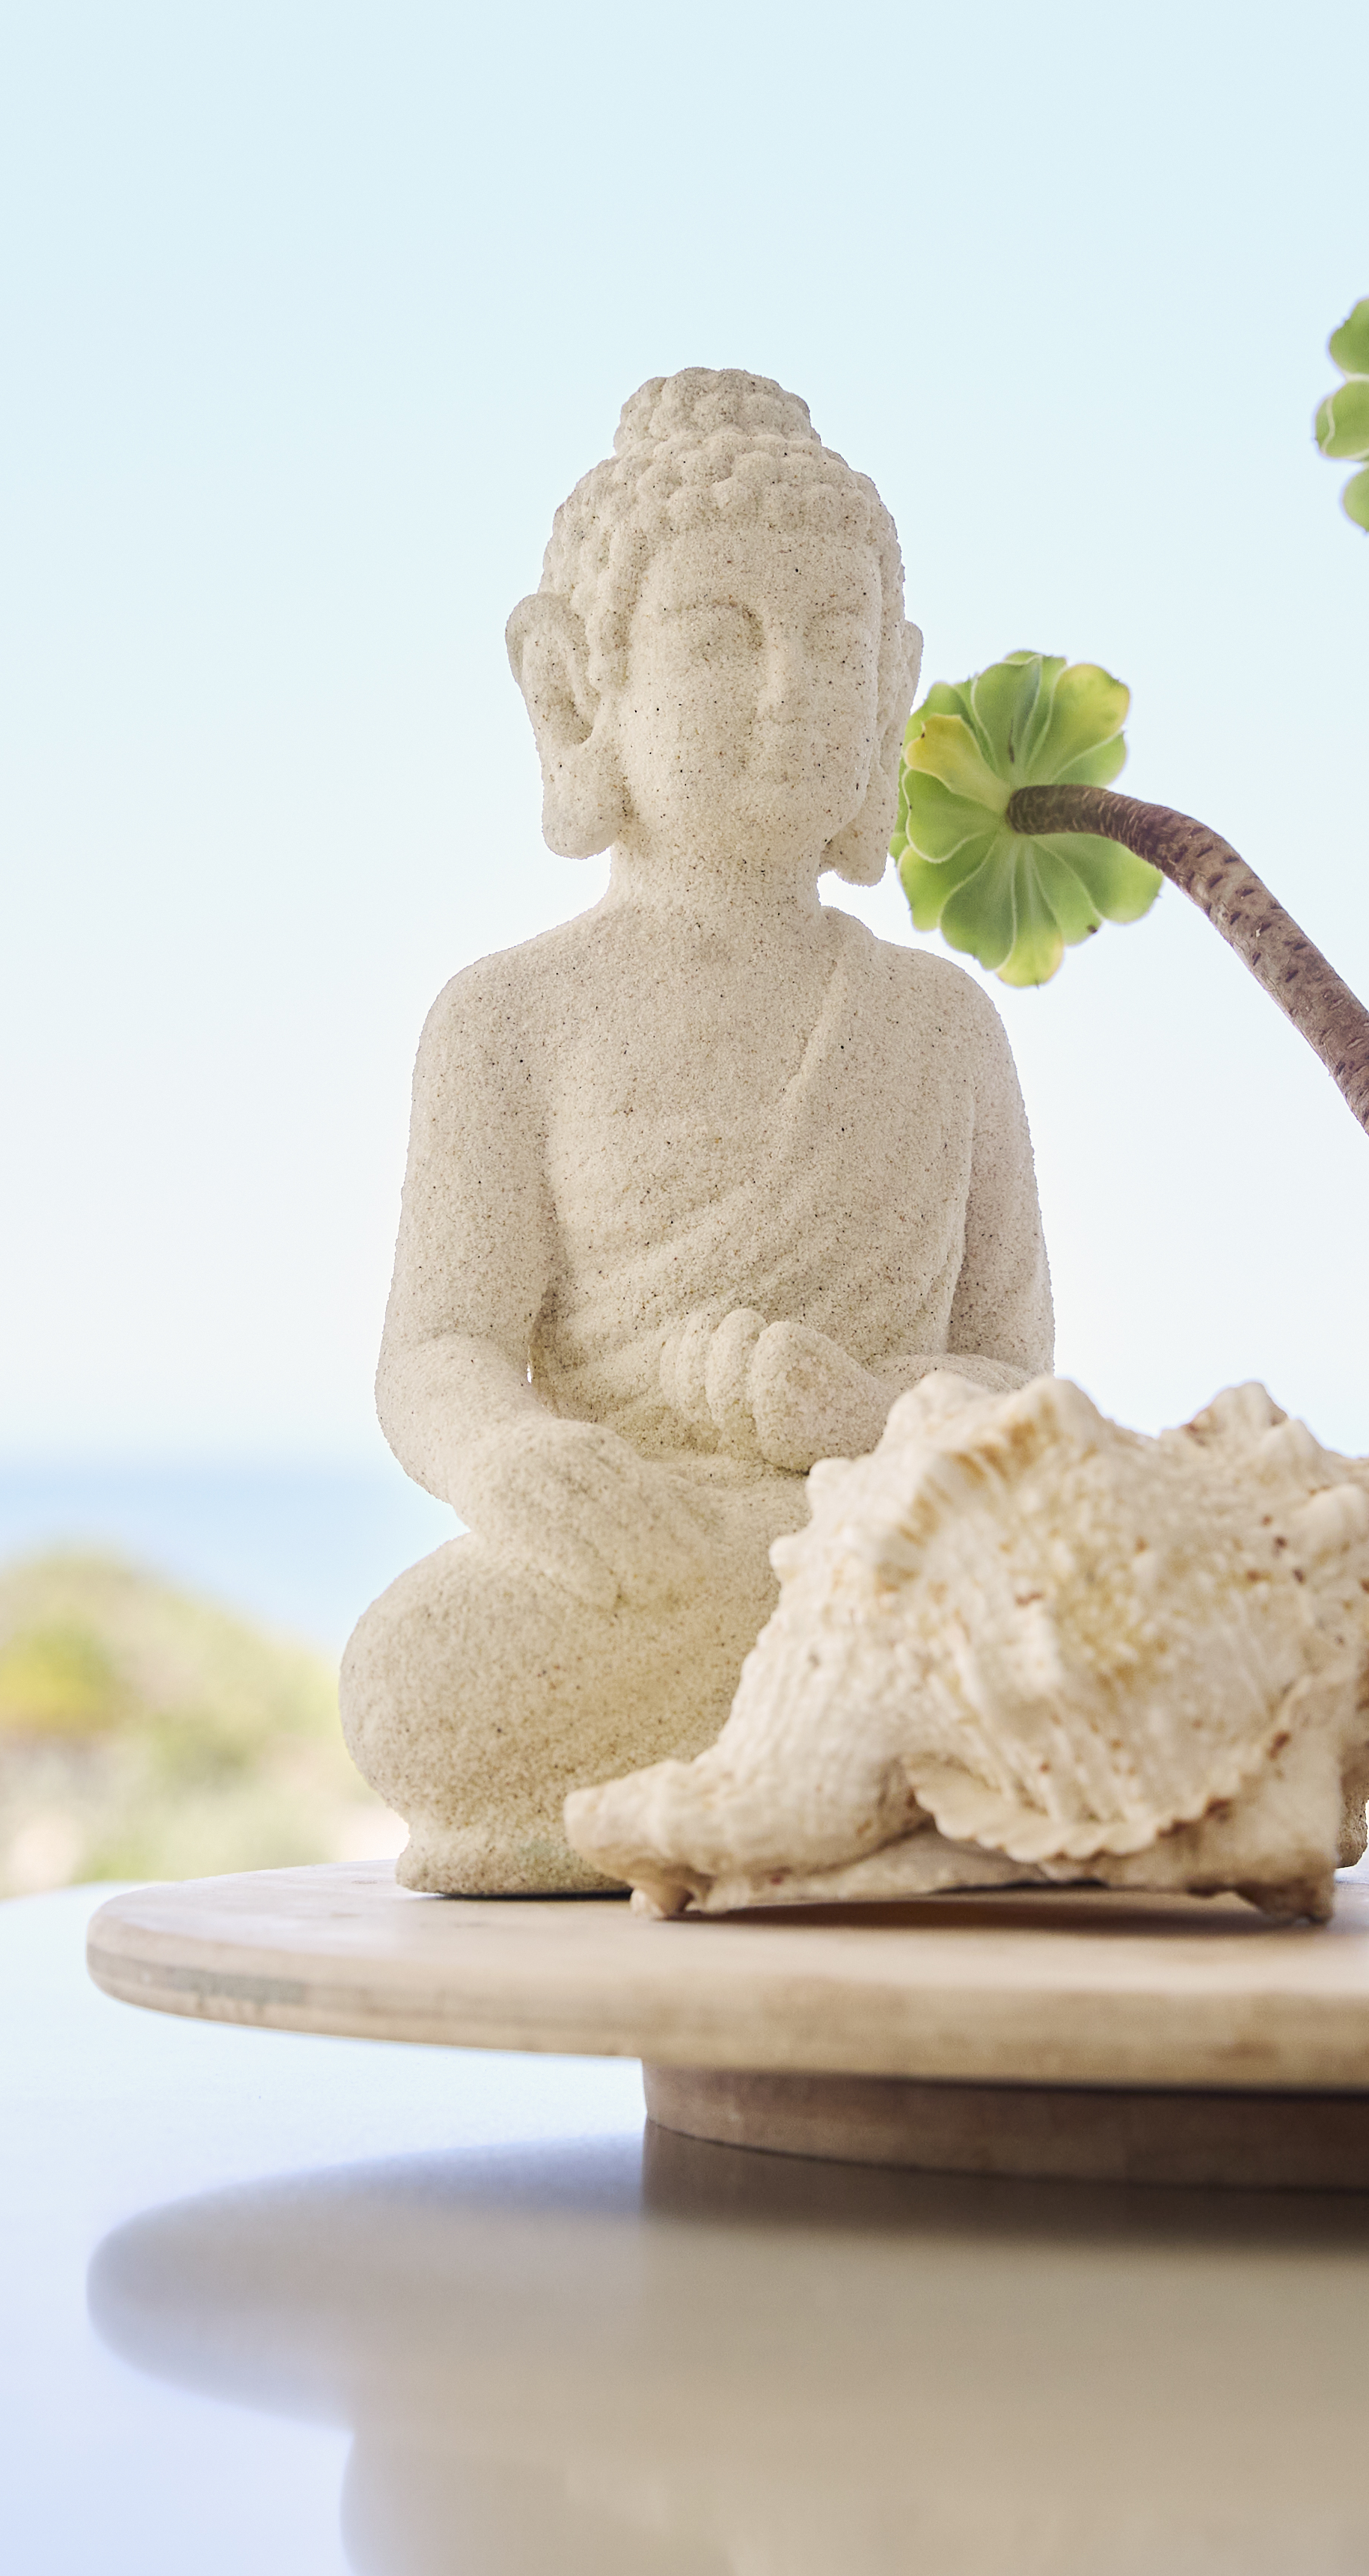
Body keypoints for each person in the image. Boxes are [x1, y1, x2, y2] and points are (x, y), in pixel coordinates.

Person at [341, 371, 1056, 1892]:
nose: (790, 689)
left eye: (836, 645)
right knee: (414, 1680)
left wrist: (857, 1410)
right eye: (720, 639)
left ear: (892, 689)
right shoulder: (507, 1019)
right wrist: (514, 1455)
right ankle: (826, 1762)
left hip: (873, 1544)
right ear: (576, 686)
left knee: (1034, 1572)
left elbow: (1014, 1382)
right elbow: (437, 1348)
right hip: (635, 1555)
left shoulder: (939, 1027)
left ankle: (813, 1749)